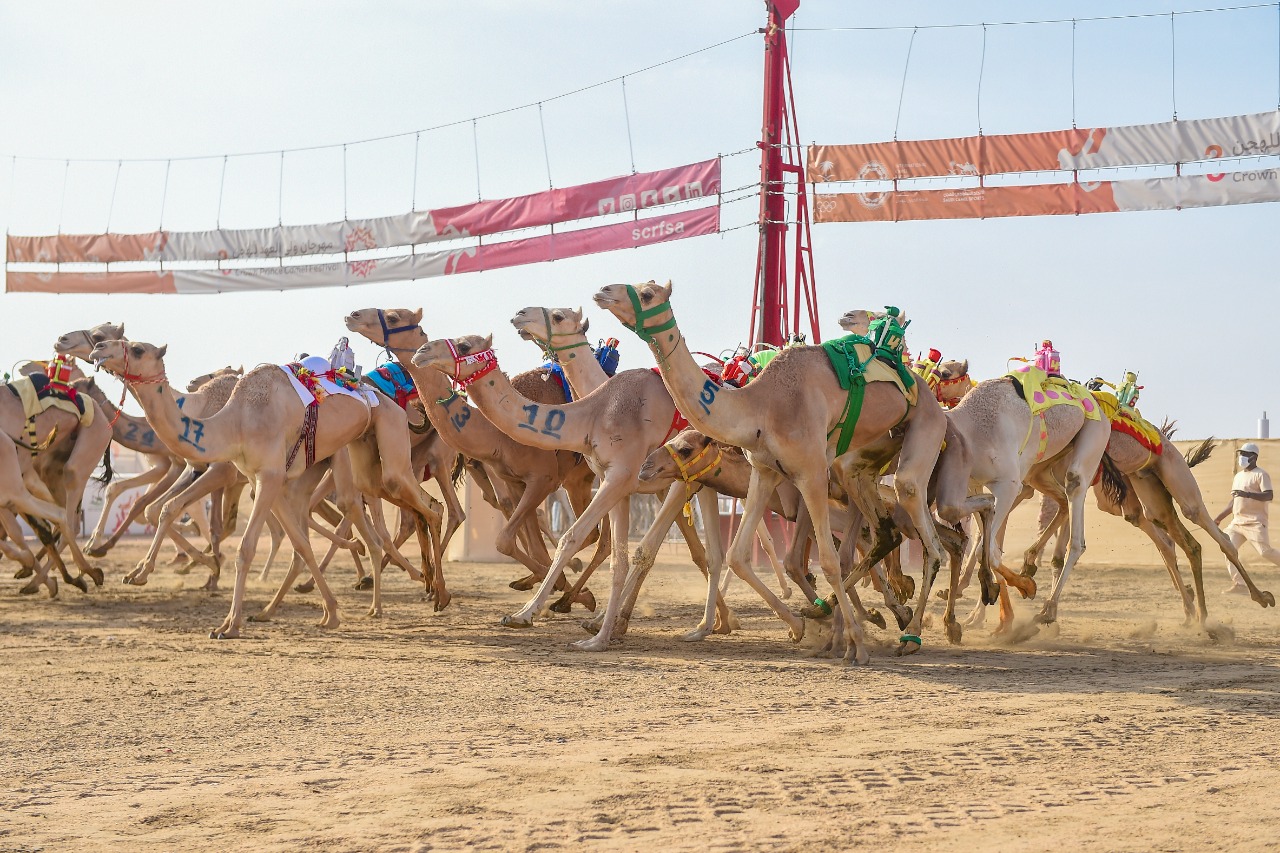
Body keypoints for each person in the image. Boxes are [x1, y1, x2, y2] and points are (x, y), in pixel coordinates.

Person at [1215, 442, 1280, 594]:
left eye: (1245, 454)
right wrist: (1218, 518)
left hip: (1255, 522)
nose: (1241, 457)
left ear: (1254, 457)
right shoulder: (1238, 476)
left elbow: (1269, 495)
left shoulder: (1261, 474)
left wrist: (1248, 494)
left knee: (1265, 552)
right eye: (1240, 454)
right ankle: (1240, 585)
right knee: (1227, 548)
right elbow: (1234, 501)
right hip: (1237, 523)